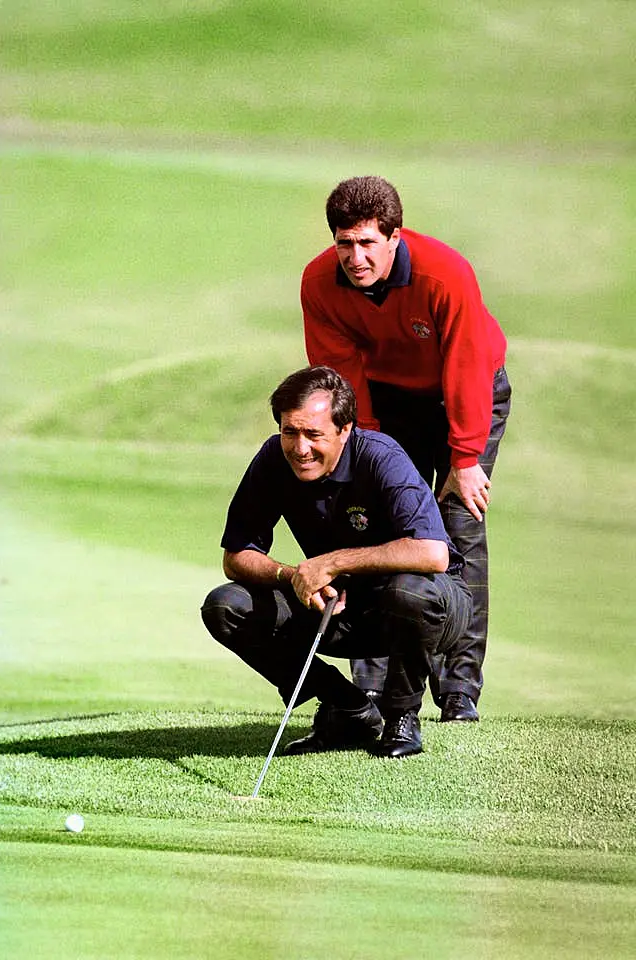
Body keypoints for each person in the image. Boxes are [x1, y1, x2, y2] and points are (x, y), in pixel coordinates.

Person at [301, 176, 511, 723]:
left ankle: (459, 689)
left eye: (368, 242)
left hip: (465, 396)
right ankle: (376, 688)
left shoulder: (445, 274)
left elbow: (468, 367)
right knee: (383, 529)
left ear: (394, 235)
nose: (355, 256)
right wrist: (364, 452)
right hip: (389, 406)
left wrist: (465, 459)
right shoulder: (320, 283)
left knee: (458, 527)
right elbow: (340, 378)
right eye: (345, 243)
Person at [201, 366, 472, 758]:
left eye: (313, 434)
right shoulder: (273, 459)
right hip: (337, 608)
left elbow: (432, 553)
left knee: (408, 592)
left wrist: (332, 562)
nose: (300, 447)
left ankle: (401, 714)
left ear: (345, 430)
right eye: (289, 432)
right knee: (226, 606)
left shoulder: (381, 457)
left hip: (431, 608)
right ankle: (346, 706)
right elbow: (237, 556)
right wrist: (292, 575)